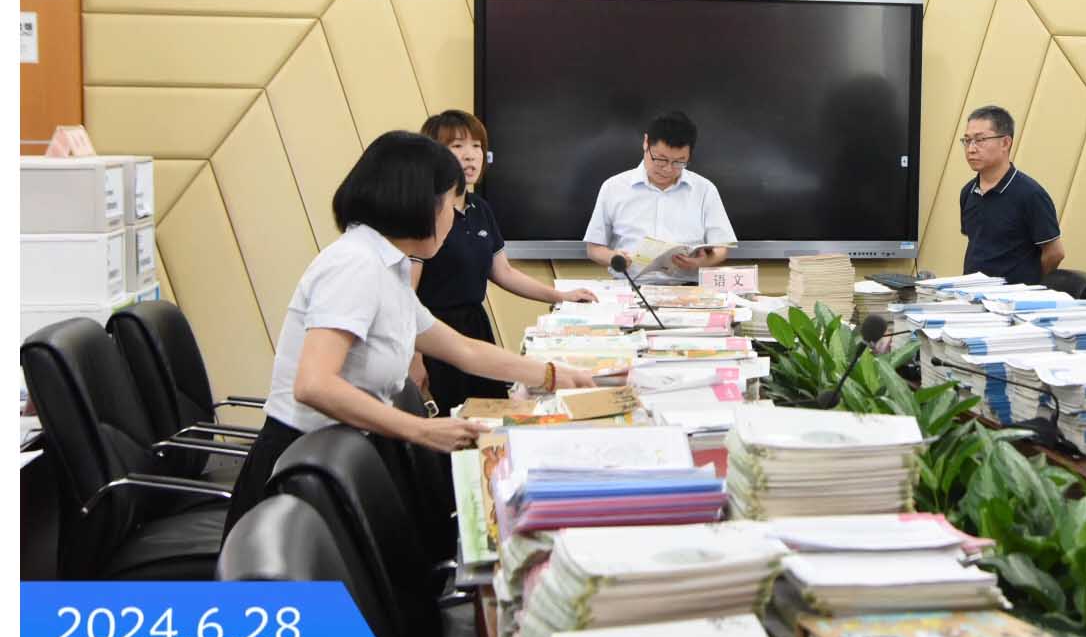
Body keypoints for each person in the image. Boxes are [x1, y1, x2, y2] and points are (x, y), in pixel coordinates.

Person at [230, 131, 596, 524]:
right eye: (450, 204)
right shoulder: (355, 265)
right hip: (301, 479)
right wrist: (422, 431)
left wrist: (554, 375)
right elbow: (314, 384)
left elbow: (463, 350)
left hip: (342, 459)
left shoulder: (388, 267)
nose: (455, 217)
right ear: (420, 204)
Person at [410, 110, 598, 412]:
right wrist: (414, 356)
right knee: (448, 423)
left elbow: (503, 272)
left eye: (477, 146)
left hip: (475, 327)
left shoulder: (479, 207)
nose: (470, 156)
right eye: (457, 146)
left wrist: (560, 296)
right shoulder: (422, 213)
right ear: (434, 154)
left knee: (490, 416)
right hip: (432, 334)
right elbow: (404, 297)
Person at [583, 111, 736, 284]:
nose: (668, 169)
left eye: (679, 162)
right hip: (630, 288)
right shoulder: (614, 187)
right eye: (660, 159)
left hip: (688, 289)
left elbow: (721, 247)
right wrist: (614, 258)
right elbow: (594, 248)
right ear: (646, 143)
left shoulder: (705, 190)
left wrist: (701, 261)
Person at [958, 105, 1064, 286]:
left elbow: (1055, 253)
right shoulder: (968, 191)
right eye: (967, 141)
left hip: (1013, 298)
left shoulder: (1030, 194)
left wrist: (1028, 283)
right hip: (972, 294)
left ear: (1005, 143)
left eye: (980, 140)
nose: (971, 149)